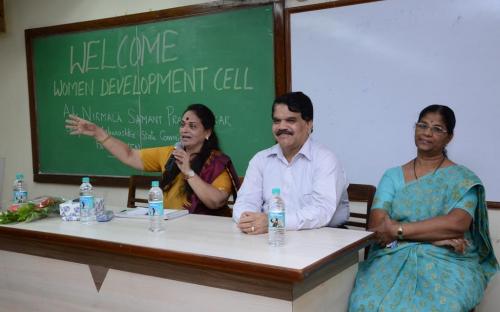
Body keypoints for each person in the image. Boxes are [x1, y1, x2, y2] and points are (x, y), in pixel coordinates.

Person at [348, 105, 498, 312]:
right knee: (364, 304)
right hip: (393, 254)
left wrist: (398, 230)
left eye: (437, 129)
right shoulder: (392, 176)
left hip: (449, 259)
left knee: (444, 307)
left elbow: (456, 224)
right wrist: (434, 237)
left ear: (449, 137)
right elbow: (378, 226)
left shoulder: (463, 179)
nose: (427, 133)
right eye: (422, 125)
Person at [65, 104, 240, 216]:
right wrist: (99, 133)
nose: (184, 130)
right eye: (182, 124)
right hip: (167, 226)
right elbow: (129, 155)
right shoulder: (170, 153)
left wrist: (188, 172)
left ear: (207, 132)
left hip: (202, 234)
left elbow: (216, 201)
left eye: (192, 126)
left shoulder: (217, 163)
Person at [233, 91, 349, 234]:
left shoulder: (325, 159)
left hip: (322, 238)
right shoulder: (261, 159)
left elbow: (321, 212)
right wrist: (249, 220)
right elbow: (245, 201)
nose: (282, 127)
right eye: (276, 121)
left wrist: (272, 222)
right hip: (268, 237)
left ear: (308, 124)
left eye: (290, 120)